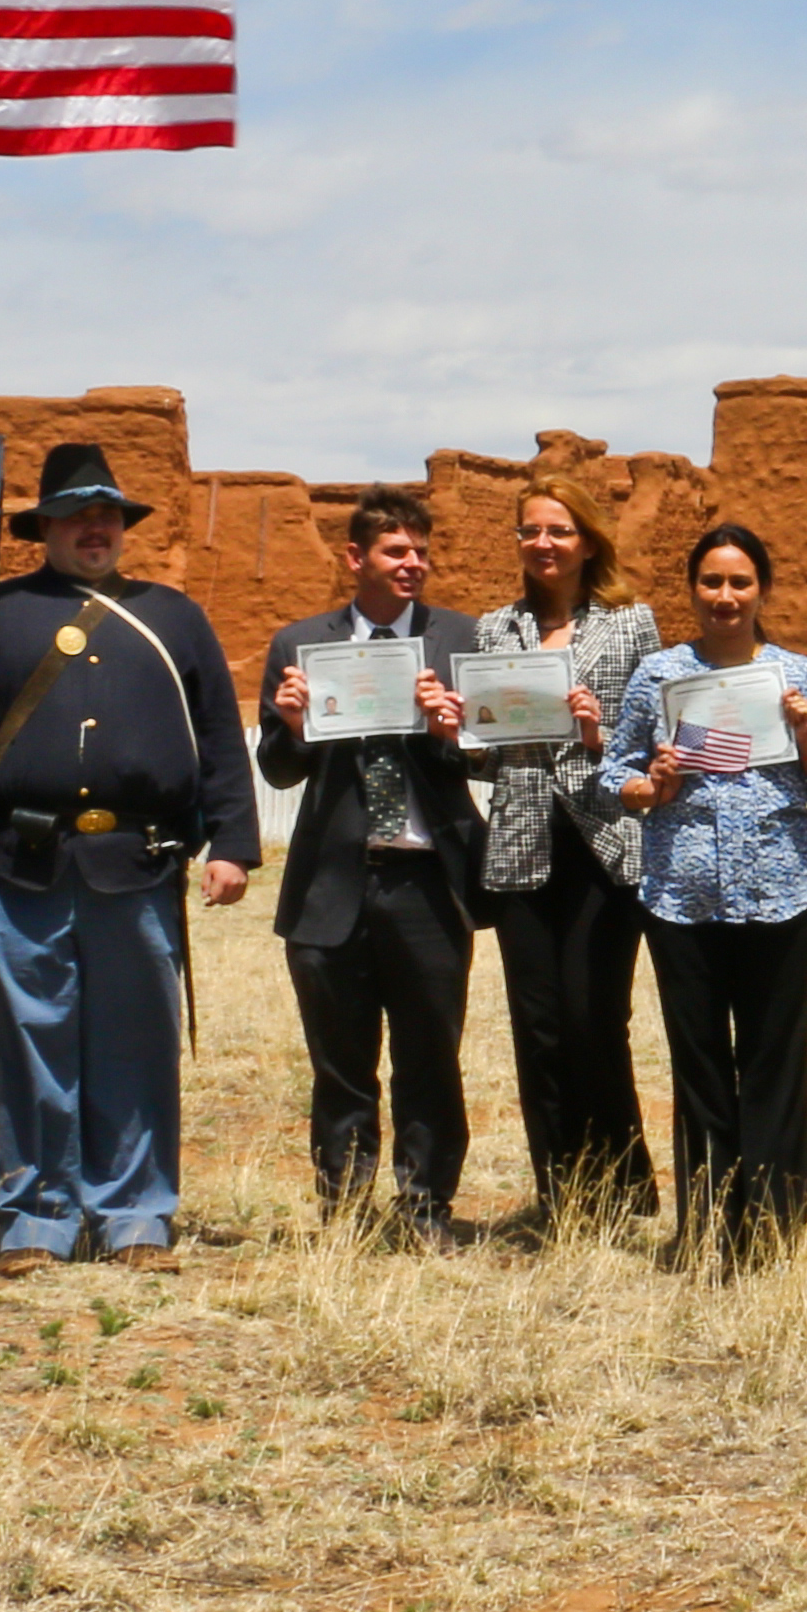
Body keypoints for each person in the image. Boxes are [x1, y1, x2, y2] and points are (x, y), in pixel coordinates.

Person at [0, 440, 255, 1277]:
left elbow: (217, 734)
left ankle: (136, 1214)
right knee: (32, 1040)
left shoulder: (174, 615)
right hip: (19, 862)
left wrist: (233, 843)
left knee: (137, 1041)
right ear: (47, 526)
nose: (94, 528)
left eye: (107, 514)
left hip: (135, 861)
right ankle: (36, 1215)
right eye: (77, 514)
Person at [604, 522, 807, 1263]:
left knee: (776, 1060)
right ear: (692, 590)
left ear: (762, 590)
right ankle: (708, 1223)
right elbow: (614, 771)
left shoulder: (798, 676)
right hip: (682, 894)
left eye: (740, 582)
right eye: (711, 582)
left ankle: (773, 1228)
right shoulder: (660, 677)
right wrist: (652, 784)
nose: (725, 596)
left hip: (780, 891)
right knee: (700, 1062)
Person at [259, 492, 486, 1239]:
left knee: (430, 1057)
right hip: (333, 881)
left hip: (427, 878)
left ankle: (426, 1206)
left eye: (421, 550)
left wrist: (445, 730)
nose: (413, 563)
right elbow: (280, 769)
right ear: (355, 559)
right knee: (341, 1063)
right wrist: (294, 728)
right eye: (397, 551)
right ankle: (347, 1211)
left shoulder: (458, 638)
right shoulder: (300, 645)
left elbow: (484, 755)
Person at [464, 482, 656, 1234]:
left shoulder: (631, 625)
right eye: (530, 532)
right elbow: (485, 760)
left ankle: (624, 1183)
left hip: (603, 843)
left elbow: (649, 742)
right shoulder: (493, 630)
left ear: (587, 541)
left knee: (594, 1016)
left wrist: (600, 733)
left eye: (559, 530)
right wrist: (462, 739)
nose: (543, 543)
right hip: (521, 845)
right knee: (537, 1025)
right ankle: (562, 1192)